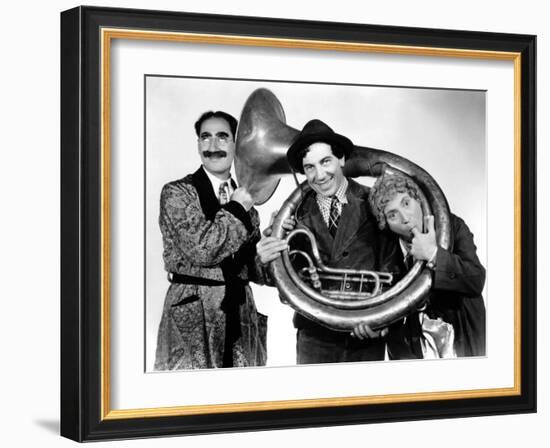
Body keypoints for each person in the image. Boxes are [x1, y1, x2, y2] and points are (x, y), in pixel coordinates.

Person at [257, 119, 386, 364]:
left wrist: (382, 320)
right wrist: (268, 257)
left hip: (365, 331)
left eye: (325, 162)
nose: (319, 175)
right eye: (309, 167)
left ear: (342, 160)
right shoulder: (292, 215)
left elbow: (392, 266)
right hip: (314, 336)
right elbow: (283, 280)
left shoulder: (373, 201)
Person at [154, 111, 267, 370]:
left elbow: (251, 269)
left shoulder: (247, 203)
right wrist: (239, 208)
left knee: (243, 404)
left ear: (237, 145)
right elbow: (203, 250)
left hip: (240, 316)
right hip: (192, 314)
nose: (213, 146)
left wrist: (272, 252)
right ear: (197, 145)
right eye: (205, 137)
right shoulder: (176, 193)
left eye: (222, 137)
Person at [353, 172, 486, 358]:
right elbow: (387, 305)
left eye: (406, 203)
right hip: (412, 352)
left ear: (418, 199)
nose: (405, 218)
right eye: (393, 215)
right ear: (386, 224)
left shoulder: (453, 226)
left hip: (460, 343)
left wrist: (433, 253)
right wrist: (378, 327)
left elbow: (475, 279)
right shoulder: (384, 248)